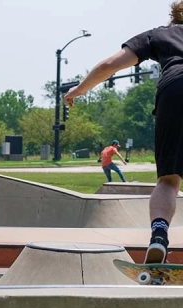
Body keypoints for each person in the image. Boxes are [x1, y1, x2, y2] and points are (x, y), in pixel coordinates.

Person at [64, 1, 183, 264]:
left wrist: (81, 89)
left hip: (174, 91)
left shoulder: (160, 34)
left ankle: (159, 237)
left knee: (169, 181)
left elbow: (109, 65)